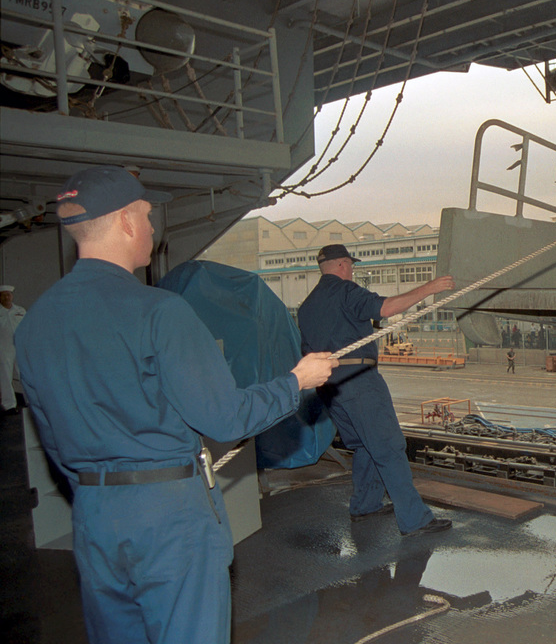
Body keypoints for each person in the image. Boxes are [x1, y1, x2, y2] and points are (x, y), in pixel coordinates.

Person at [13, 165, 338, 644]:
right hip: (167, 516)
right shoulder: (159, 311)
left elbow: (55, 442)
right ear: (125, 221)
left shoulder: (34, 324)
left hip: (94, 512)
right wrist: (296, 380)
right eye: (146, 216)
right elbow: (223, 416)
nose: (151, 229)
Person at [298, 244, 456, 536]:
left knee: (364, 445)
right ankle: (414, 519)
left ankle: (365, 505)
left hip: (329, 387)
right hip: (360, 380)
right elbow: (385, 308)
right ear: (344, 265)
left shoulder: (307, 306)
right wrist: (430, 288)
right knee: (389, 446)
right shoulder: (346, 291)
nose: (352, 271)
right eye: (351, 266)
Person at [0, 284, 26, 414]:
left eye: (8, 294)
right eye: (3, 295)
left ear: (12, 296)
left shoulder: (20, 310)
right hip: (3, 348)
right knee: (5, 376)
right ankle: (9, 405)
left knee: (25, 374)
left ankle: (30, 401)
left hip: (20, 346)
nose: (6, 297)